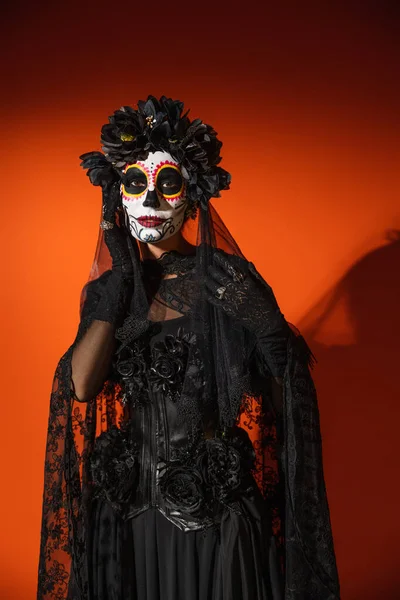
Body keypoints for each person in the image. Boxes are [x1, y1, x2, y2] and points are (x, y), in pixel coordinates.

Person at [37, 95, 341, 600]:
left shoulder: (226, 282)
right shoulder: (110, 293)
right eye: (135, 183)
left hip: (211, 517)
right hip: (125, 514)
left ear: (193, 195)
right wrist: (120, 277)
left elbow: (284, 395)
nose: (151, 199)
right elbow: (83, 386)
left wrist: (269, 327)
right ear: (117, 196)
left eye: (167, 183)